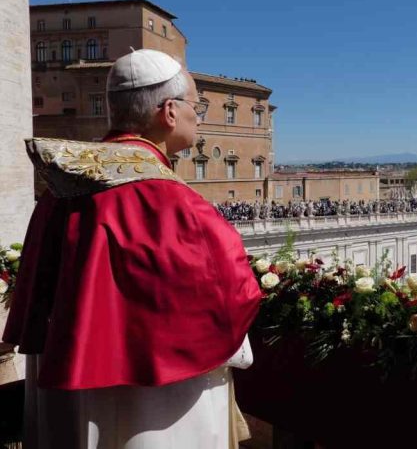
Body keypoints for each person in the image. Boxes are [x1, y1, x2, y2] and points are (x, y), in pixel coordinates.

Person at [2, 49, 263, 448]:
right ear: (170, 112)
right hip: (158, 399)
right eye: (197, 105)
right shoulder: (171, 200)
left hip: (69, 382)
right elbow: (234, 292)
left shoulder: (62, 188)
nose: (200, 115)